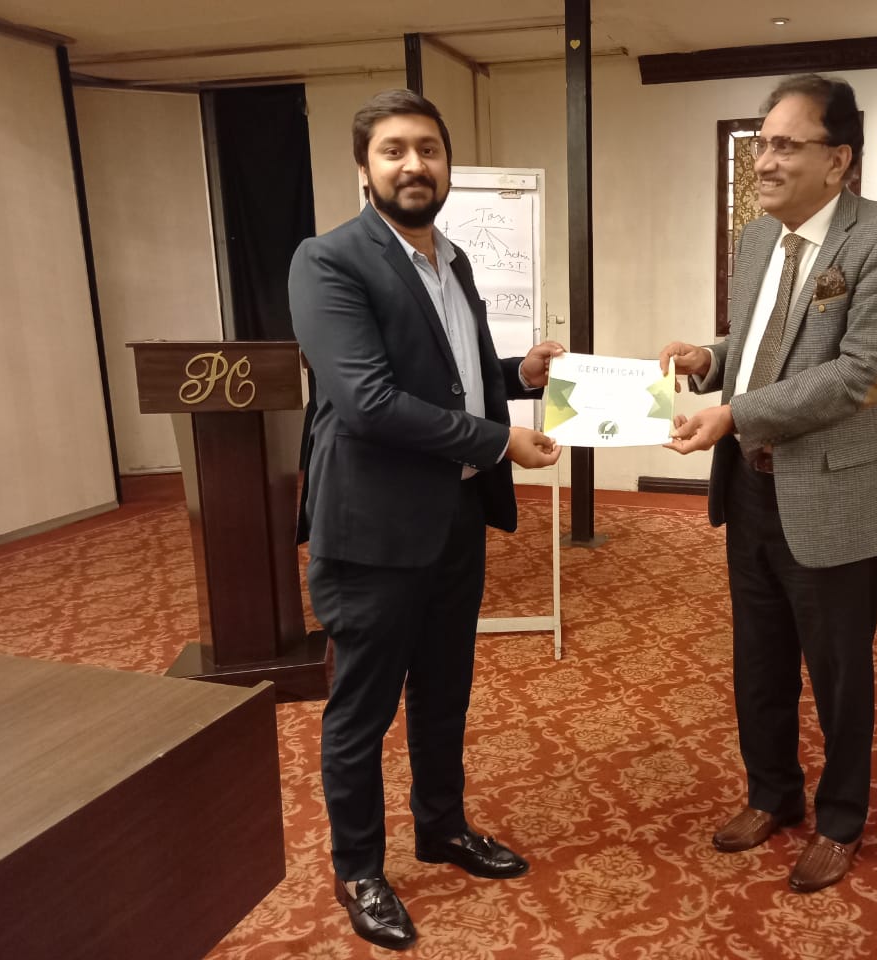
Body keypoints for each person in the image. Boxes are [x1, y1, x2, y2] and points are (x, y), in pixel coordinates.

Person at [289, 89, 563, 950]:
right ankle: (359, 868)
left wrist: (520, 374)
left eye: (429, 149)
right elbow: (367, 401)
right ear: (364, 168)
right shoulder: (328, 261)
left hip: (452, 515)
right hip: (371, 527)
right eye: (394, 150)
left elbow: (456, 374)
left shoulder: (454, 260)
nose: (415, 165)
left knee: (444, 690)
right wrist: (501, 440)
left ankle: (441, 827)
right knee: (363, 709)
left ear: (448, 164)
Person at [659, 74, 877, 893]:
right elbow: (755, 340)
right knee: (760, 656)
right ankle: (771, 793)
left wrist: (734, 411)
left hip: (834, 490)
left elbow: (859, 375)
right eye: (761, 144)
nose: (765, 162)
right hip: (750, 486)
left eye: (784, 145)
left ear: (838, 159)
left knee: (838, 670)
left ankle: (840, 818)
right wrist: (708, 358)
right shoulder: (756, 240)